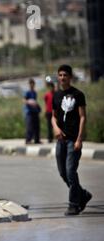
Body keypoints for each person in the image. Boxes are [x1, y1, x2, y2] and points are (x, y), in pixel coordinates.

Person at [52, 64, 93, 216]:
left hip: (73, 140)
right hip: (61, 140)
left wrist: (79, 139)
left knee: (70, 171)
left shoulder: (78, 94)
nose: (62, 78)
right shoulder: (56, 95)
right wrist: (55, 128)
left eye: (65, 75)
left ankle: (74, 204)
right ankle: (83, 195)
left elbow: (83, 117)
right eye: (60, 75)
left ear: (70, 77)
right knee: (63, 173)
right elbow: (53, 116)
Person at [23, 78, 41, 144]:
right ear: (29, 84)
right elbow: (24, 100)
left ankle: (37, 140)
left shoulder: (34, 92)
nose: (32, 85)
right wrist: (29, 102)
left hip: (35, 111)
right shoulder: (27, 92)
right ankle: (28, 140)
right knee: (29, 126)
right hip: (29, 112)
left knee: (37, 126)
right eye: (30, 83)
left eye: (33, 83)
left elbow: (35, 101)